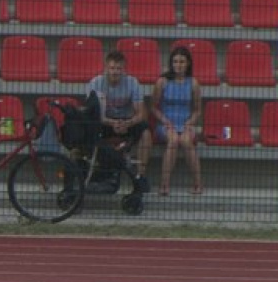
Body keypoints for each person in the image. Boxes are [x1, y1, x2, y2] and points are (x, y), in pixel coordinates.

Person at [87, 51, 152, 183]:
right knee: (90, 127)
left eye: (119, 69)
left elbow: (141, 113)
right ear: (106, 68)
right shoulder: (95, 83)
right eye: (112, 68)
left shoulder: (133, 83)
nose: (115, 72)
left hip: (127, 122)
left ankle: (141, 175)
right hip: (104, 123)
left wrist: (128, 123)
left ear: (124, 70)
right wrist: (112, 123)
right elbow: (93, 114)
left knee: (146, 132)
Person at [151, 47, 203, 196]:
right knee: (173, 140)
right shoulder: (162, 82)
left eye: (181, 61)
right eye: (175, 61)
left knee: (186, 141)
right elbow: (153, 107)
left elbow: (198, 110)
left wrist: (190, 122)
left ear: (188, 64)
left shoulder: (193, 83)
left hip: (185, 123)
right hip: (166, 123)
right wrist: (165, 121)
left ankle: (198, 184)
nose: (178, 65)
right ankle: (165, 184)